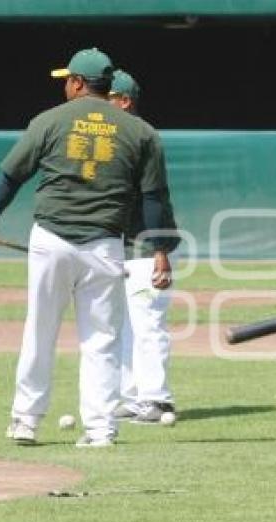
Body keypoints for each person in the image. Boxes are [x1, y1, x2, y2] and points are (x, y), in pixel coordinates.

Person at [0, 47, 176, 447]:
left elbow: (9, 178)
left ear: (77, 83)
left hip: (52, 240)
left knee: (40, 330)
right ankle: (100, 429)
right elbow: (154, 199)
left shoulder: (50, 120)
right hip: (105, 245)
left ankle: (25, 420)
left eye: (67, 80)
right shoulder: (140, 131)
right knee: (102, 340)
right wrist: (161, 250)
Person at [108, 69, 180, 425]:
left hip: (147, 248)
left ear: (124, 101)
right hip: (122, 249)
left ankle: (157, 399)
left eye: (107, 99)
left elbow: (154, 201)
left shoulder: (142, 140)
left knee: (148, 323)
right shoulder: (114, 142)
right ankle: (133, 397)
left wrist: (161, 252)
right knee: (123, 325)